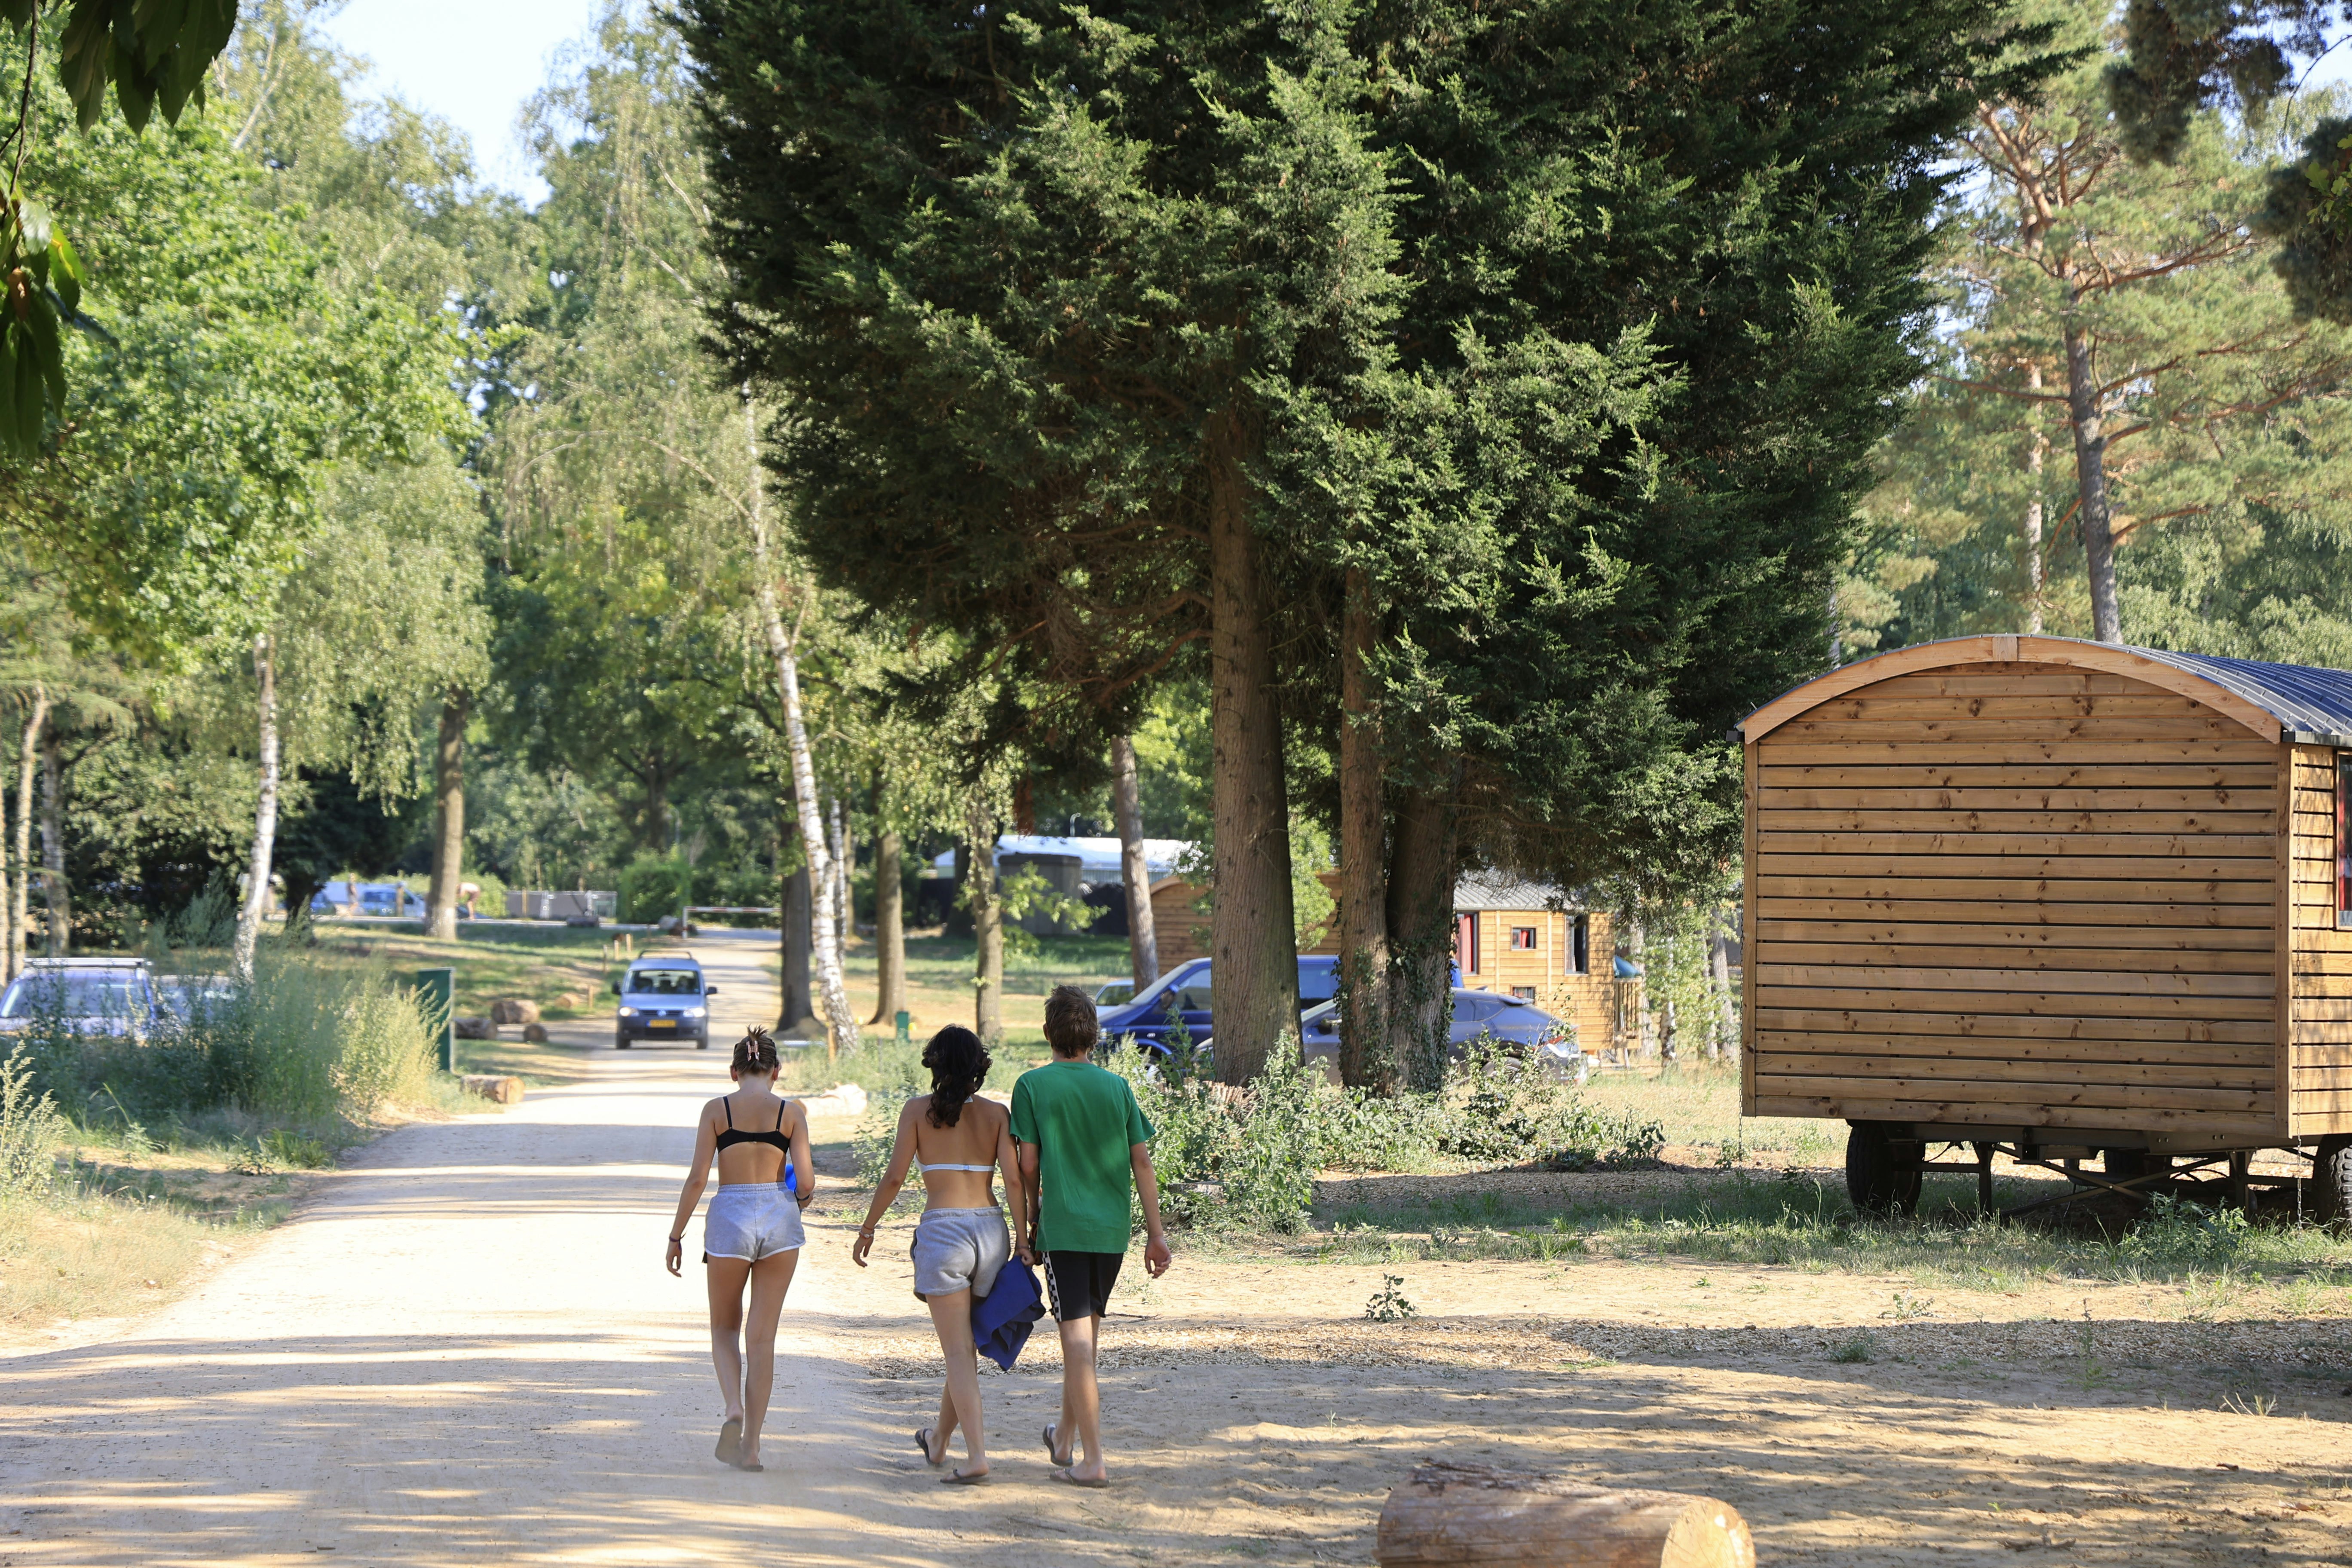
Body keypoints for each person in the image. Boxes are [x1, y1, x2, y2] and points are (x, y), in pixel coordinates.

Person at [851, 1025, 1027, 1483]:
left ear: (934, 1064)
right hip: (991, 1231)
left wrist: (869, 1227)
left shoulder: (915, 1112)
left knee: (956, 1354)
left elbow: (893, 1179)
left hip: (945, 1232)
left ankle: (977, 1457)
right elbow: (1012, 1183)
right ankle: (939, 1442)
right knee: (963, 1348)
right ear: (978, 1067)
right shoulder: (996, 1115)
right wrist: (1024, 1239)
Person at [1011, 985, 1171, 1488]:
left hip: (1065, 1229)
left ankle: (1094, 1460)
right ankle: (1064, 1438)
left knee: (1077, 1344)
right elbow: (1141, 1161)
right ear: (1096, 1036)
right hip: (1111, 1231)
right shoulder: (1118, 1088)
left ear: (1047, 1033)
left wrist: (1032, 1218)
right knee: (1084, 1341)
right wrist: (1157, 1234)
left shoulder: (1032, 1086)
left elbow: (1028, 1163)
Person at [665, 1027, 815, 1472]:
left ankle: (733, 1406)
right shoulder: (792, 1112)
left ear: (734, 1071)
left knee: (724, 1328)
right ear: (776, 1071)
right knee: (762, 1338)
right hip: (777, 1214)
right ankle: (751, 1448)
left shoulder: (717, 1110)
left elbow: (697, 1179)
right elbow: (805, 1184)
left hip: (729, 1214)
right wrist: (799, 1203)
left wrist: (676, 1236)